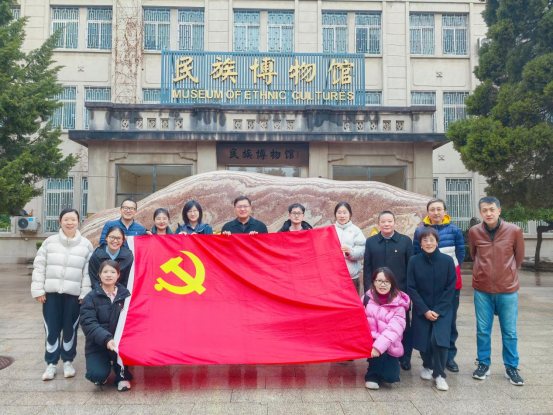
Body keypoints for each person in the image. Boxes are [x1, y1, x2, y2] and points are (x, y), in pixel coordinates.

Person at [31, 208, 93, 381]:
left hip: (74, 296)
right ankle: (51, 364)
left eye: (73, 219)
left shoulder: (86, 245)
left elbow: (88, 272)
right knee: (51, 329)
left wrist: (84, 294)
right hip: (51, 295)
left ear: (78, 222)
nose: (69, 223)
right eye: (66, 219)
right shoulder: (49, 242)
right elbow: (39, 266)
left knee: (70, 329)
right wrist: (38, 290)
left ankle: (67, 362)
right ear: (60, 222)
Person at [469, 196, 525, 386]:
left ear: (499, 210)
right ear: (480, 212)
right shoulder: (474, 231)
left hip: (507, 288)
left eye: (492, 209)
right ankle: (483, 364)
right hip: (482, 288)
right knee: (482, 330)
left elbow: (518, 257)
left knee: (509, 331)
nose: (488, 213)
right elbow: (474, 255)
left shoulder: (514, 231)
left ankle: (511, 367)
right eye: (484, 210)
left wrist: (508, 273)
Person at [413, 199, 465, 373]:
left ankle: (449, 357)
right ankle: (429, 359)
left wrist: (449, 273)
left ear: (445, 211)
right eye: (432, 209)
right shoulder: (420, 231)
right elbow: (416, 253)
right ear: (428, 212)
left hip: (450, 285)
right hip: (427, 286)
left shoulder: (454, 230)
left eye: (439, 209)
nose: (436, 212)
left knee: (449, 322)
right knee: (426, 323)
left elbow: (461, 253)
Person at [407, 227, 456, 391]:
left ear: (437, 242)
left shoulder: (447, 261)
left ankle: (440, 374)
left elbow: (450, 287)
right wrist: (424, 310)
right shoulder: (414, 261)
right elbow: (411, 287)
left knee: (439, 341)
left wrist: (439, 310)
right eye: (425, 240)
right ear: (420, 243)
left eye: (432, 240)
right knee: (424, 341)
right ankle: (427, 365)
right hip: (422, 308)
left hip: (443, 309)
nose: (428, 243)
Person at [363, 210, 414, 371]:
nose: (386, 224)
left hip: (399, 293)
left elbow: (410, 269)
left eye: (390, 221)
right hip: (377, 293)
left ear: (395, 223)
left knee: (403, 326)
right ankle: (376, 356)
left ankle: (405, 358)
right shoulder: (371, 242)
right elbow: (367, 269)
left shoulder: (405, 241)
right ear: (378, 224)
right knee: (376, 325)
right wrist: (368, 293)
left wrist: (408, 293)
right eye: (383, 221)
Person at [80, 260, 133, 391]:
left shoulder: (126, 296)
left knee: (122, 358)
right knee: (97, 375)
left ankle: (121, 374)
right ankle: (103, 369)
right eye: (105, 272)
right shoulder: (90, 298)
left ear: (118, 275)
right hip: (98, 343)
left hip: (120, 343)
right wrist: (107, 339)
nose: (109, 275)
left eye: (113, 272)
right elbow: (89, 324)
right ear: (99, 274)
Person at [363, 267, 409, 390]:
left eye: (386, 281)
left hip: (389, 344)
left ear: (392, 283)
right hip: (371, 341)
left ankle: (379, 365)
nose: (382, 285)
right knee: (376, 343)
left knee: (390, 377)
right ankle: (372, 375)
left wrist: (378, 347)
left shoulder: (399, 305)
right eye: (379, 281)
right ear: (374, 282)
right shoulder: (367, 298)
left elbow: (394, 329)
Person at [333, 202, 366, 295]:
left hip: (352, 277)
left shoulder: (356, 230)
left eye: (345, 212)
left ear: (350, 214)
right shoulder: (330, 230)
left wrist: (350, 252)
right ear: (335, 214)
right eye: (339, 212)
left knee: (353, 301)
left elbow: (362, 251)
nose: (342, 215)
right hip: (334, 277)